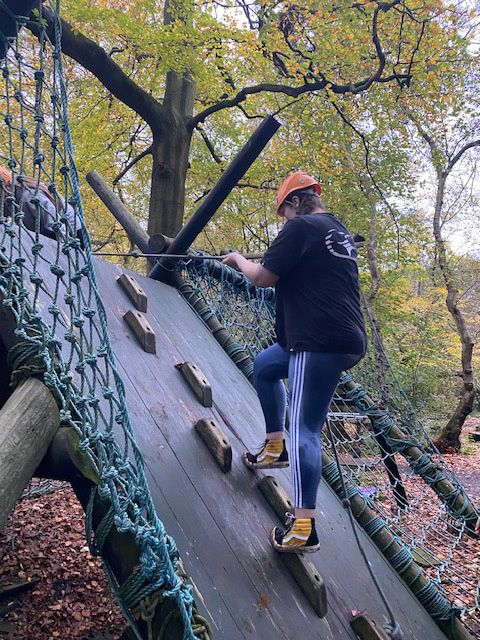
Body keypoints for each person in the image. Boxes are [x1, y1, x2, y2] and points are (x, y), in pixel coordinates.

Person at [222, 171, 367, 554]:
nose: (284, 217)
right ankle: (274, 446)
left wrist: (237, 259)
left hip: (317, 341)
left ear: (293, 203)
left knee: (306, 429)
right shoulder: (334, 229)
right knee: (266, 366)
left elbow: (262, 278)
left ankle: (304, 527)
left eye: (283, 210)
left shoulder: (301, 228)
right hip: (335, 336)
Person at [0, 164, 78, 239]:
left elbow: (54, 222)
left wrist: (64, 246)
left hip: (69, 230)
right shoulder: (9, 201)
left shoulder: (29, 196)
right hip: (46, 232)